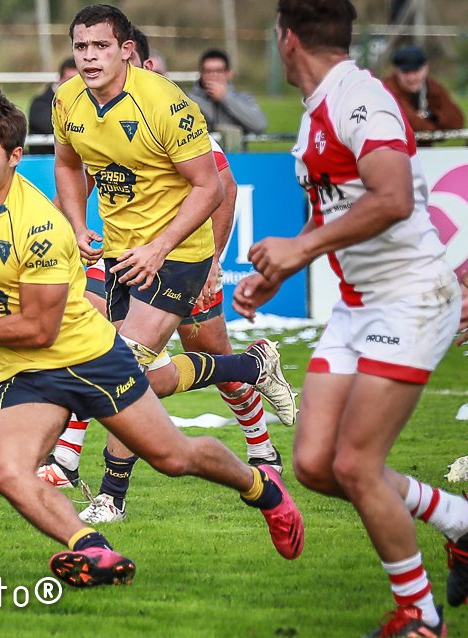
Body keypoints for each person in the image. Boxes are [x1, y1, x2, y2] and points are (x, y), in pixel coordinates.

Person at [0, 87, 303, 589]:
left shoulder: (41, 227)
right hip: (27, 372)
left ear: (15, 158)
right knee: (5, 471)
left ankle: (261, 489)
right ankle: (91, 549)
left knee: (173, 457)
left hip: (89, 358)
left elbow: (38, 328)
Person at [234, 1, 468, 634]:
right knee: (313, 463)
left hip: (411, 296)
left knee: (357, 466)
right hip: (358, 305)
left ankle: (420, 618)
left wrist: (300, 249)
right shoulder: (320, 109)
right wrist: (278, 267)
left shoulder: (359, 97)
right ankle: (458, 521)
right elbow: (337, 210)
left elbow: (391, 198)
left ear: (287, 40)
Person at [51, 3, 297, 516]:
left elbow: (214, 186)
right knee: (147, 375)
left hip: (179, 253)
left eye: (101, 46)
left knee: (121, 368)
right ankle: (252, 365)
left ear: (126, 50)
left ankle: (107, 494)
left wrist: (173, 251)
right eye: (81, 47)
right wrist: (76, 226)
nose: (90, 57)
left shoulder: (166, 102)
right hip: (122, 255)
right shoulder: (68, 101)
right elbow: (68, 165)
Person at [382, 45, 465, 147]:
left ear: (426, 68)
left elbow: (457, 122)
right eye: (406, 72)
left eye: (416, 71)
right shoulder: (388, 89)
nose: (411, 78)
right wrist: (438, 128)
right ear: (396, 71)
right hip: (394, 153)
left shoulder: (432, 87)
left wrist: (430, 115)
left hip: (422, 152)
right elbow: (415, 127)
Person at [187, 48, 267, 145]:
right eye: (208, 71)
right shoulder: (189, 100)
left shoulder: (243, 98)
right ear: (201, 74)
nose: (213, 75)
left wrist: (225, 98)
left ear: (229, 73)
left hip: (236, 158)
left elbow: (259, 126)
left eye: (219, 71)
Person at [27, 58, 78, 155]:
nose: (75, 84)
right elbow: (52, 127)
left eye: (79, 80)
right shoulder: (40, 104)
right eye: (70, 79)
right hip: (44, 164)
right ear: (60, 79)